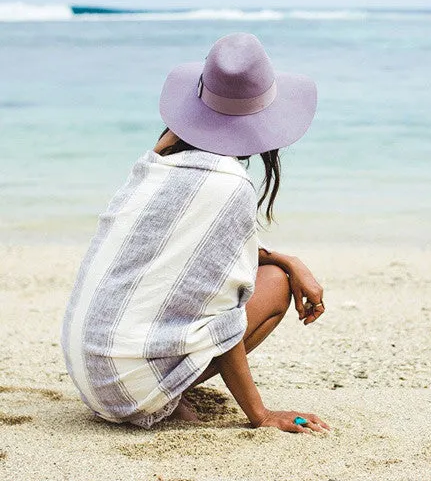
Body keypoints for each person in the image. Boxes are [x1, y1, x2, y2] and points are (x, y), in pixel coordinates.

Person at [60, 32, 330, 434]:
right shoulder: (230, 185)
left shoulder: (153, 166)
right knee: (274, 284)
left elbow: (197, 250)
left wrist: (290, 258)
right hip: (129, 393)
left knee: (275, 269)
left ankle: (166, 383)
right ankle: (165, 394)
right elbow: (221, 314)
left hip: (91, 376)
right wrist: (260, 414)